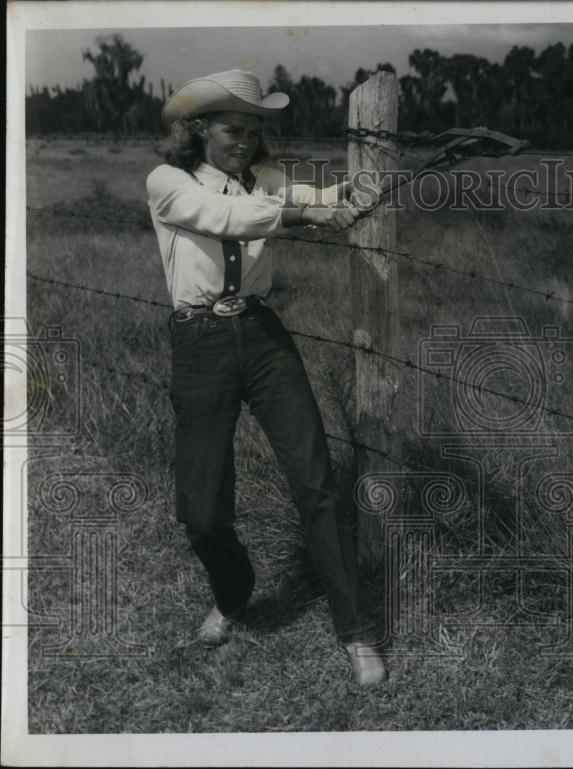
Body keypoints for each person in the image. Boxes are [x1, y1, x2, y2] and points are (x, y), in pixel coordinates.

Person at [147, 69, 386, 687]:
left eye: (254, 132)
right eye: (233, 130)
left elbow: (323, 204)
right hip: (199, 342)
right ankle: (233, 594)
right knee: (201, 512)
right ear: (199, 129)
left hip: (261, 334)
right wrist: (308, 211)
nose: (245, 143)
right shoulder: (168, 183)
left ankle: (357, 633)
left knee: (316, 480)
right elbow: (235, 219)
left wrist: (357, 198)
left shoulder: (271, 181)